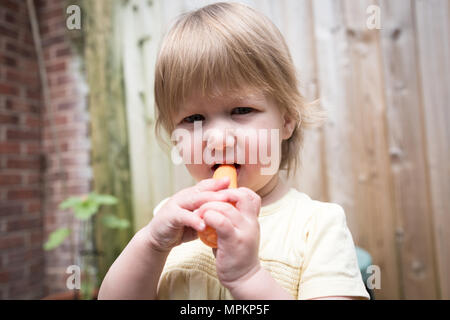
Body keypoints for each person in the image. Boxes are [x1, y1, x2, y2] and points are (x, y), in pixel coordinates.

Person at [98, 2, 369, 300]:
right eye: (193, 118)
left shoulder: (317, 227)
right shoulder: (170, 221)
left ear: (287, 120)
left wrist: (248, 277)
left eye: (241, 110)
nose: (217, 139)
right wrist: (150, 243)